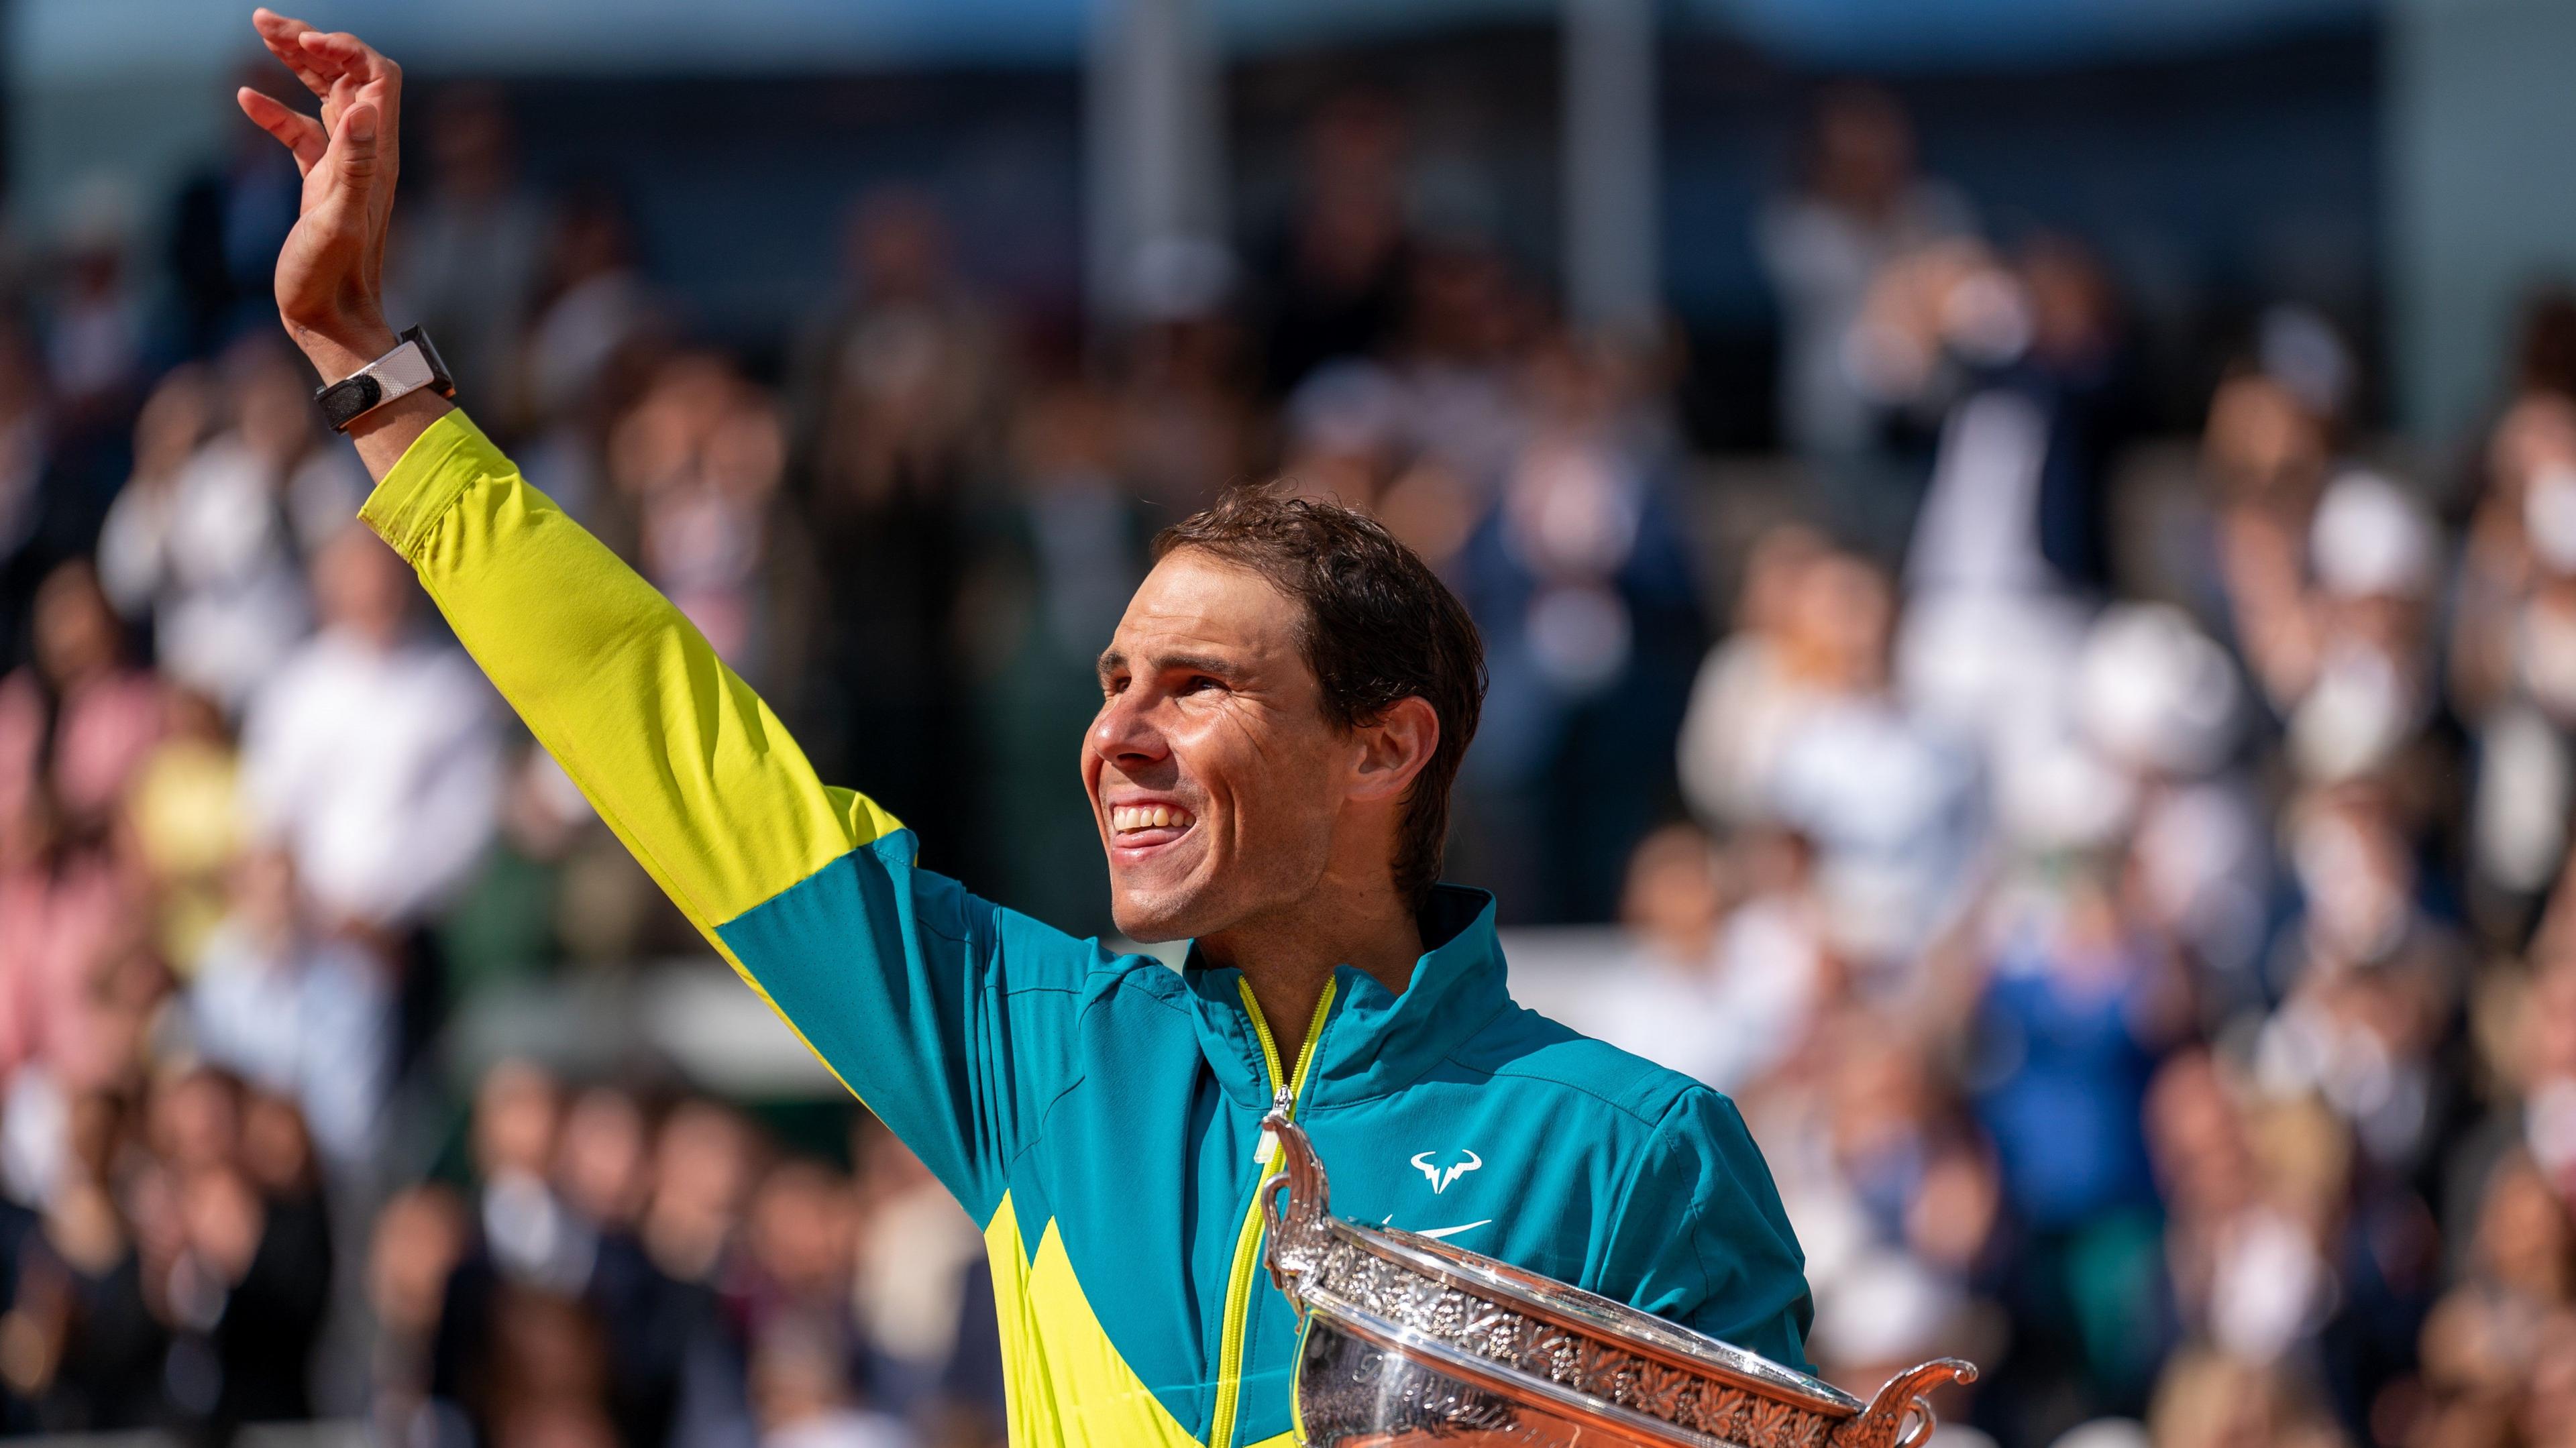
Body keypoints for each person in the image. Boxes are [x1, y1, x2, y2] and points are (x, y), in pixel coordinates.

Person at [233, 14, 1815, 1448]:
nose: (1116, 732)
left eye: (1194, 684)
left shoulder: (1639, 1153)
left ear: (1383, 749)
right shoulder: (1030, 1053)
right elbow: (678, 743)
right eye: (1112, 682)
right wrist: (373, 378)